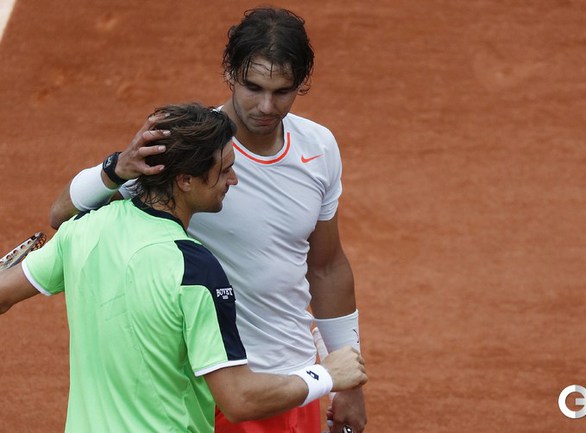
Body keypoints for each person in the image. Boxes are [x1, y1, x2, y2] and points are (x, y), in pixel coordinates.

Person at [49, 8, 366, 433]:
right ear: (230, 73)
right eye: (253, 87)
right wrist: (116, 168)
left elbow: (326, 267)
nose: (266, 106)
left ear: (300, 84)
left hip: (297, 379)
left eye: (282, 92)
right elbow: (62, 216)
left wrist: (348, 383)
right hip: (213, 387)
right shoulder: (190, 150)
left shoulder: (319, 147)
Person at [0, 102, 367, 433]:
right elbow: (239, 400)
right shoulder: (196, 272)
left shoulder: (82, 230)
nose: (234, 180)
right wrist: (326, 375)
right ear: (185, 180)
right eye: (224, 171)